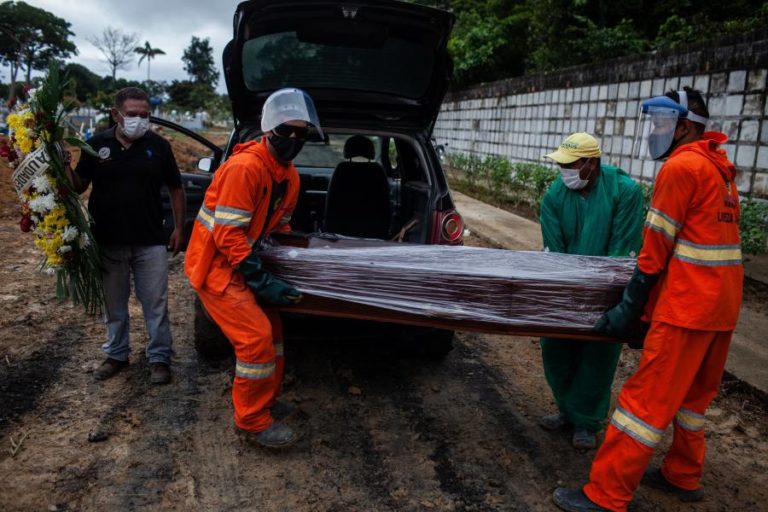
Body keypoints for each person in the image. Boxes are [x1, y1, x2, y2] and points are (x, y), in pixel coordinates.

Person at [553, 87, 743, 512]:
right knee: (693, 400)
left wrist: (630, 306)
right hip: (722, 307)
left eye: (661, 124)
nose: (655, 132)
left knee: (644, 403)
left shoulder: (682, 168)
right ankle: (683, 474)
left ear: (684, 126)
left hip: (688, 308)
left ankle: (606, 494)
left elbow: (655, 248)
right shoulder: (720, 169)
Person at [184, 88, 322, 449]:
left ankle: (267, 399)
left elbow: (280, 229)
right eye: (285, 131)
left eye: (300, 133)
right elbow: (229, 236)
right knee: (255, 339)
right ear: (268, 130)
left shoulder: (289, 178)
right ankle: (251, 420)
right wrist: (261, 280)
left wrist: (297, 263)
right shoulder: (245, 169)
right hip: (216, 266)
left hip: (242, 261)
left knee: (274, 335)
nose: (292, 139)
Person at [68, 87, 183, 386]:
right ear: (116, 114)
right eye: (133, 115)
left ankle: (159, 358)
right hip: (107, 239)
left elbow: (176, 187)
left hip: (150, 240)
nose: (140, 121)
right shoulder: (96, 144)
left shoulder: (158, 146)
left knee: (155, 303)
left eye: (145, 115)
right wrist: (62, 166)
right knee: (114, 304)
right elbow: (79, 185)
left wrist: (179, 227)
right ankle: (116, 354)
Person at [539, 132, 644, 450]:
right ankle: (566, 410)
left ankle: (586, 421)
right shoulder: (555, 195)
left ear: (591, 164)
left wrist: (602, 293)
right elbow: (553, 250)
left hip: (607, 290)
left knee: (597, 353)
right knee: (556, 347)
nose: (564, 170)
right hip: (565, 287)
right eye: (562, 164)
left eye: (571, 164)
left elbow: (622, 249)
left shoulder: (624, 191)